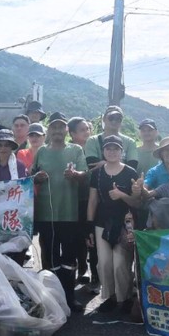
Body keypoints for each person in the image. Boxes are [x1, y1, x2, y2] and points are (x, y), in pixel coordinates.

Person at [31, 113, 88, 312]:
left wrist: (76, 175)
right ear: (48, 130)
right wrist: (36, 177)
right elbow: (31, 177)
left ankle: (70, 297)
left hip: (70, 213)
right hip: (46, 215)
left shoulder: (76, 149)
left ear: (66, 130)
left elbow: (84, 174)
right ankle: (54, 299)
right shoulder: (41, 152)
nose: (57, 131)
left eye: (60, 127)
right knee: (51, 258)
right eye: (53, 127)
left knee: (69, 259)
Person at [87, 135, 140, 313]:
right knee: (103, 263)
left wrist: (122, 195)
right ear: (103, 151)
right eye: (108, 148)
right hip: (102, 223)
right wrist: (89, 227)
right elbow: (93, 200)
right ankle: (109, 296)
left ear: (121, 151)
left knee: (120, 264)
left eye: (116, 148)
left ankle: (123, 297)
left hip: (125, 224)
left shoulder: (131, 172)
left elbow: (137, 202)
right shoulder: (97, 173)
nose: (112, 152)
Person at [68, 116, 96, 286]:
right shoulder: (69, 150)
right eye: (82, 130)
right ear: (72, 134)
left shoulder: (97, 148)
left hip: (95, 198)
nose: (86, 132)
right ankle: (82, 268)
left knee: (92, 235)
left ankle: (95, 273)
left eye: (87, 129)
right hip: (77, 198)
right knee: (78, 235)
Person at [84, 106, 138, 170]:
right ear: (104, 119)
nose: (114, 121)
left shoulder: (130, 142)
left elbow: (132, 166)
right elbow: (92, 165)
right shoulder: (92, 141)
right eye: (111, 118)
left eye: (118, 119)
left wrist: (104, 163)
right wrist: (119, 165)